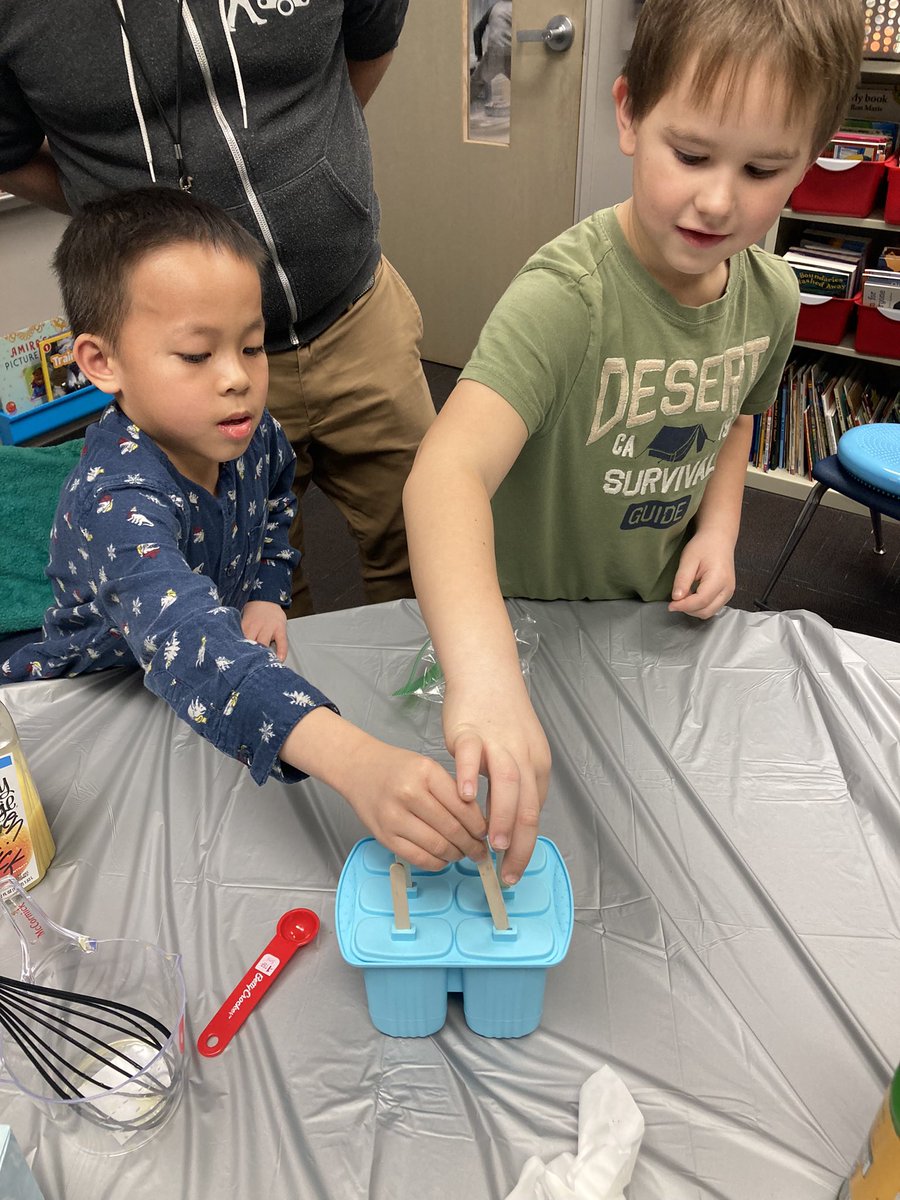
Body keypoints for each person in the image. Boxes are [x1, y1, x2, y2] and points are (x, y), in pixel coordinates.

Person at [401, 0, 865, 886]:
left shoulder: (772, 298)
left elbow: (735, 416)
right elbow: (446, 472)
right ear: (627, 115)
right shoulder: (567, 298)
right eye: (690, 155)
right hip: (521, 625)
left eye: (765, 168)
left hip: (646, 621)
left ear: (809, 162)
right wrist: (486, 676)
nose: (719, 199)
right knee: (513, 841)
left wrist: (720, 527)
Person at [1, 188, 486, 873]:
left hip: (197, 664)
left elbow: (276, 511)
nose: (238, 379)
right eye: (197, 355)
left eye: (252, 346)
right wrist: (357, 762)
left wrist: (266, 592)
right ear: (101, 362)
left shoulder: (255, 437)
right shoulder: (115, 501)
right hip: (94, 689)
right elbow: (191, 645)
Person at [0, 0, 433, 618]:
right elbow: (9, 151)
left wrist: (314, 168)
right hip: (187, 393)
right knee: (256, 588)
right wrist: (132, 225)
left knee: (423, 542)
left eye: (240, 350)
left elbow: (370, 43)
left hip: (357, 309)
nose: (237, 375)